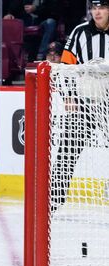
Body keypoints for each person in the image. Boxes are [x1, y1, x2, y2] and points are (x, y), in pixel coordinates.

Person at [52, 0, 109, 209]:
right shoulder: (80, 32)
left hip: (108, 101)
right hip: (83, 100)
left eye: (102, 7)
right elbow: (65, 66)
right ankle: (54, 200)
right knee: (68, 149)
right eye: (94, 8)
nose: (97, 12)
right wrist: (68, 96)